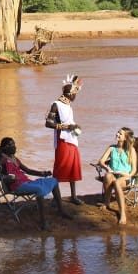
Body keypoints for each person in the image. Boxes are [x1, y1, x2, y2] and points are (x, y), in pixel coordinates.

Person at [0, 136, 65, 221]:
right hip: (17, 186)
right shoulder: (2, 159)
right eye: (11, 145)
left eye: (14, 144)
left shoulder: (15, 159)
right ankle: (43, 222)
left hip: (26, 182)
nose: (14, 146)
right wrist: (6, 177)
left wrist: (42, 173)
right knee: (39, 189)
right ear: (5, 148)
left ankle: (61, 211)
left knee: (54, 180)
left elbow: (28, 171)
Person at [46, 76, 83, 204]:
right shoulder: (56, 105)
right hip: (63, 141)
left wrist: (74, 126)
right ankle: (57, 198)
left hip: (72, 140)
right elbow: (48, 123)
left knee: (73, 167)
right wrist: (68, 126)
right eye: (74, 94)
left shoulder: (68, 106)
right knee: (60, 167)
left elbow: (69, 121)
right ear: (69, 94)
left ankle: (73, 196)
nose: (75, 97)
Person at [97, 126, 137, 225]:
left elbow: (134, 170)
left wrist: (127, 175)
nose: (117, 134)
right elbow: (101, 161)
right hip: (113, 174)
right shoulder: (112, 148)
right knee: (107, 176)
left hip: (125, 177)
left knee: (117, 183)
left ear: (125, 138)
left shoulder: (131, 150)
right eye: (117, 132)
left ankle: (122, 213)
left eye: (120, 134)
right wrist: (107, 168)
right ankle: (107, 203)